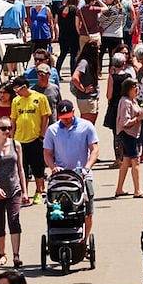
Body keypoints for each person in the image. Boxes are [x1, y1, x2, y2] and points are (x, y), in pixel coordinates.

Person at [43, 100, 100, 242]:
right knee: (56, 208)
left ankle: (84, 241)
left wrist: (87, 167)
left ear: (74, 112)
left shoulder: (86, 126)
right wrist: (53, 167)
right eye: (63, 117)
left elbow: (94, 149)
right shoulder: (52, 130)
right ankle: (56, 236)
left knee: (87, 211)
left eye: (69, 116)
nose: (66, 120)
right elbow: (47, 153)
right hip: (61, 177)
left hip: (82, 175)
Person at [0, 115, 28, 268]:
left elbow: (21, 169)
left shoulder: (16, 145)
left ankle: (16, 255)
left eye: (9, 128)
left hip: (14, 189)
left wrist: (25, 191)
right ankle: (2, 254)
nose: (7, 131)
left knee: (14, 221)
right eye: (3, 128)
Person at [10, 77, 50, 203]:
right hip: (19, 139)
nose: (17, 92)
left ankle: (39, 191)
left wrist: (42, 135)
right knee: (22, 167)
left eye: (18, 89)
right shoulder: (16, 101)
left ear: (25, 87)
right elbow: (13, 120)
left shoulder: (40, 98)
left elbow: (45, 117)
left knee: (38, 167)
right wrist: (11, 137)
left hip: (35, 138)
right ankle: (24, 193)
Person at [114, 78, 143, 197]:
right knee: (136, 161)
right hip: (128, 134)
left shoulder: (132, 100)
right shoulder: (125, 102)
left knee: (126, 161)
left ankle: (119, 189)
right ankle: (137, 190)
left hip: (132, 133)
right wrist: (139, 118)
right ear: (128, 89)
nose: (137, 89)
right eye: (134, 87)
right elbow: (125, 122)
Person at [70, 40, 101, 124]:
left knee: (91, 122)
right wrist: (83, 89)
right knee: (86, 124)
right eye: (97, 48)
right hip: (86, 98)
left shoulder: (90, 62)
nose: (99, 51)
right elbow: (74, 78)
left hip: (92, 97)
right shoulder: (84, 62)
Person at [56, 0, 82, 74]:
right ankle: (73, 73)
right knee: (73, 55)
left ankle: (57, 71)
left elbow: (56, 21)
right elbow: (76, 23)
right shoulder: (76, 10)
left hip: (63, 34)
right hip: (73, 35)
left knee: (62, 54)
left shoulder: (60, 9)